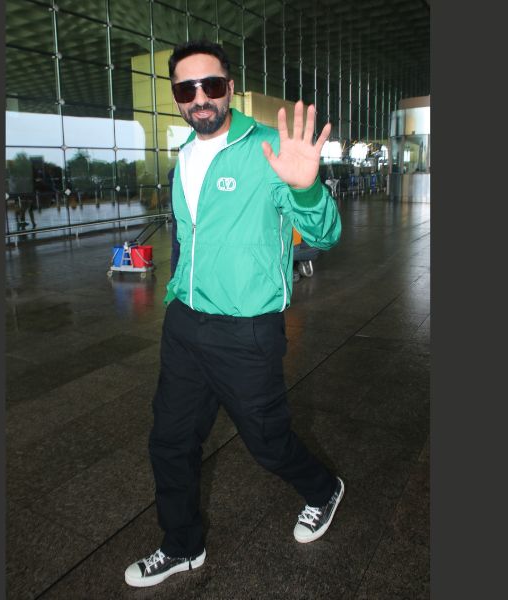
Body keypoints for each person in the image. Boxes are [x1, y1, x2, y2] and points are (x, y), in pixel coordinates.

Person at [124, 40, 344, 588]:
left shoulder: (269, 147)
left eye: (212, 85)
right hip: (185, 324)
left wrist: (306, 189)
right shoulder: (183, 157)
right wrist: (176, 291)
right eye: (187, 88)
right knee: (169, 441)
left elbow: (325, 235)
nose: (200, 97)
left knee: (267, 443)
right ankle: (182, 546)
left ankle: (323, 489)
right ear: (176, 97)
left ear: (229, 87)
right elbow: (189, 238)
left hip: (246, 329)